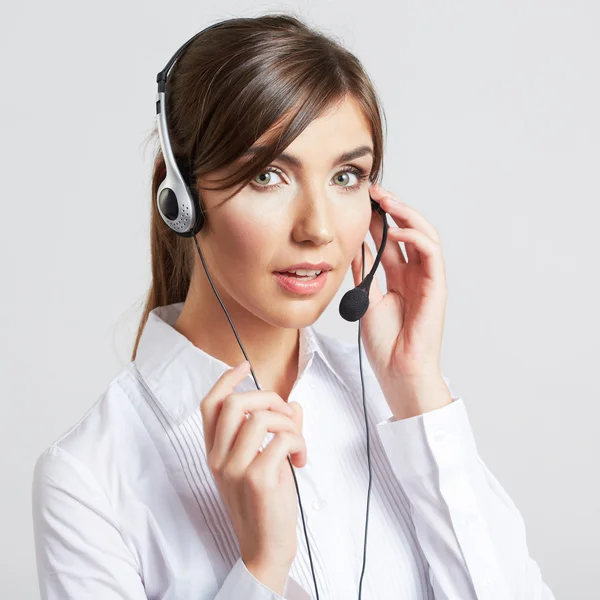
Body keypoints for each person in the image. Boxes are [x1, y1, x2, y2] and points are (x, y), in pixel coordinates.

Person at [31, 12, 556, 600]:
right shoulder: (87, 479)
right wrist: (260, 566)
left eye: (347, 176)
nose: (318, 228)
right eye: (269, 175)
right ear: (181, 200)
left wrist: (416, 391)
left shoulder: (397, 403)